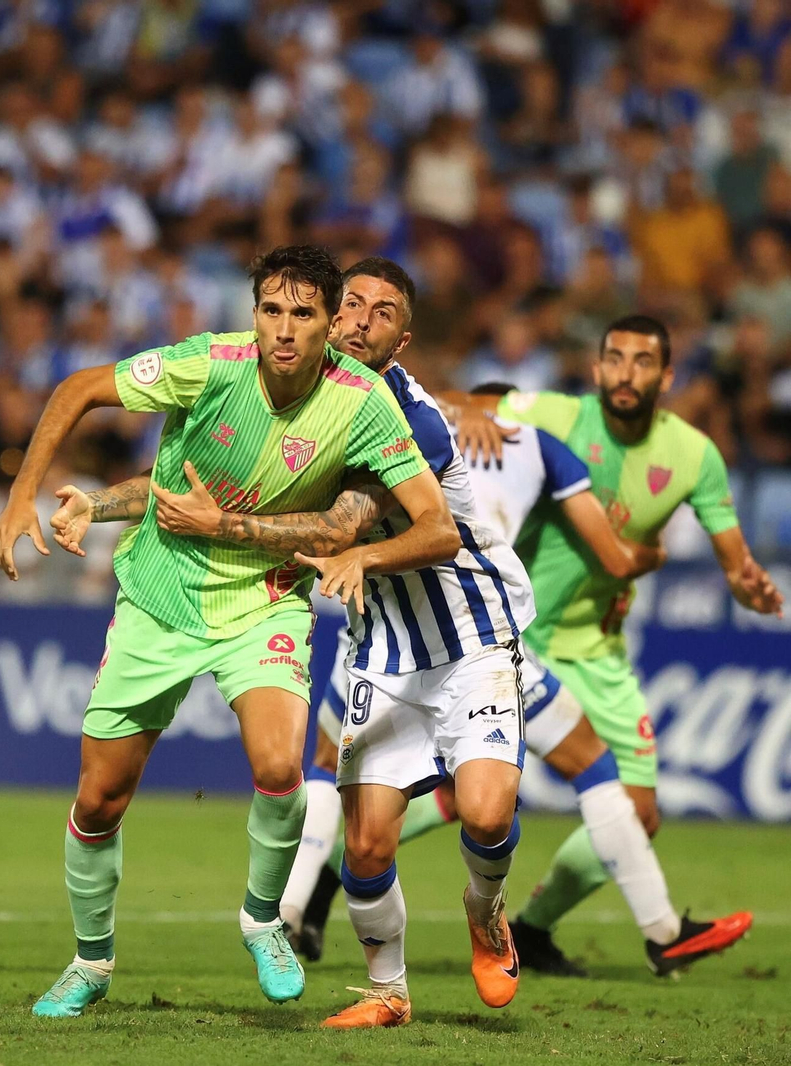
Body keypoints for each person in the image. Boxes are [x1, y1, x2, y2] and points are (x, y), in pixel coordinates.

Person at [52, 259, 535, 1028]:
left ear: (401, 340)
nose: (360, 321)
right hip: (380, 642)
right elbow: (200, 484)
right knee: (365, 845)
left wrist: (270, 537)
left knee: (481, 811)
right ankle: (388, 994)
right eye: (351, 306)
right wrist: (102, 503)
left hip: (466, 633)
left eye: (383, 313)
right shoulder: (289, 385)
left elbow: (344, 529)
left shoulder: (387, 414)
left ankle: (484, 907)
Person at [446, 315, 783, 975]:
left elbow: (736, 565)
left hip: (600, 651)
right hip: (528, 637)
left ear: (666, 375)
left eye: (642, 361)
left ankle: (533, 930)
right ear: (597, 368)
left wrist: (750, 587)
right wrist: (473, 411)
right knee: (443, 795)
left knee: (639, 810)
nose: (626, 373)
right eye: (615, 359)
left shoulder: (695, 456)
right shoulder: (560, 415)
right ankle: (330, 879)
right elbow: (454, 402)